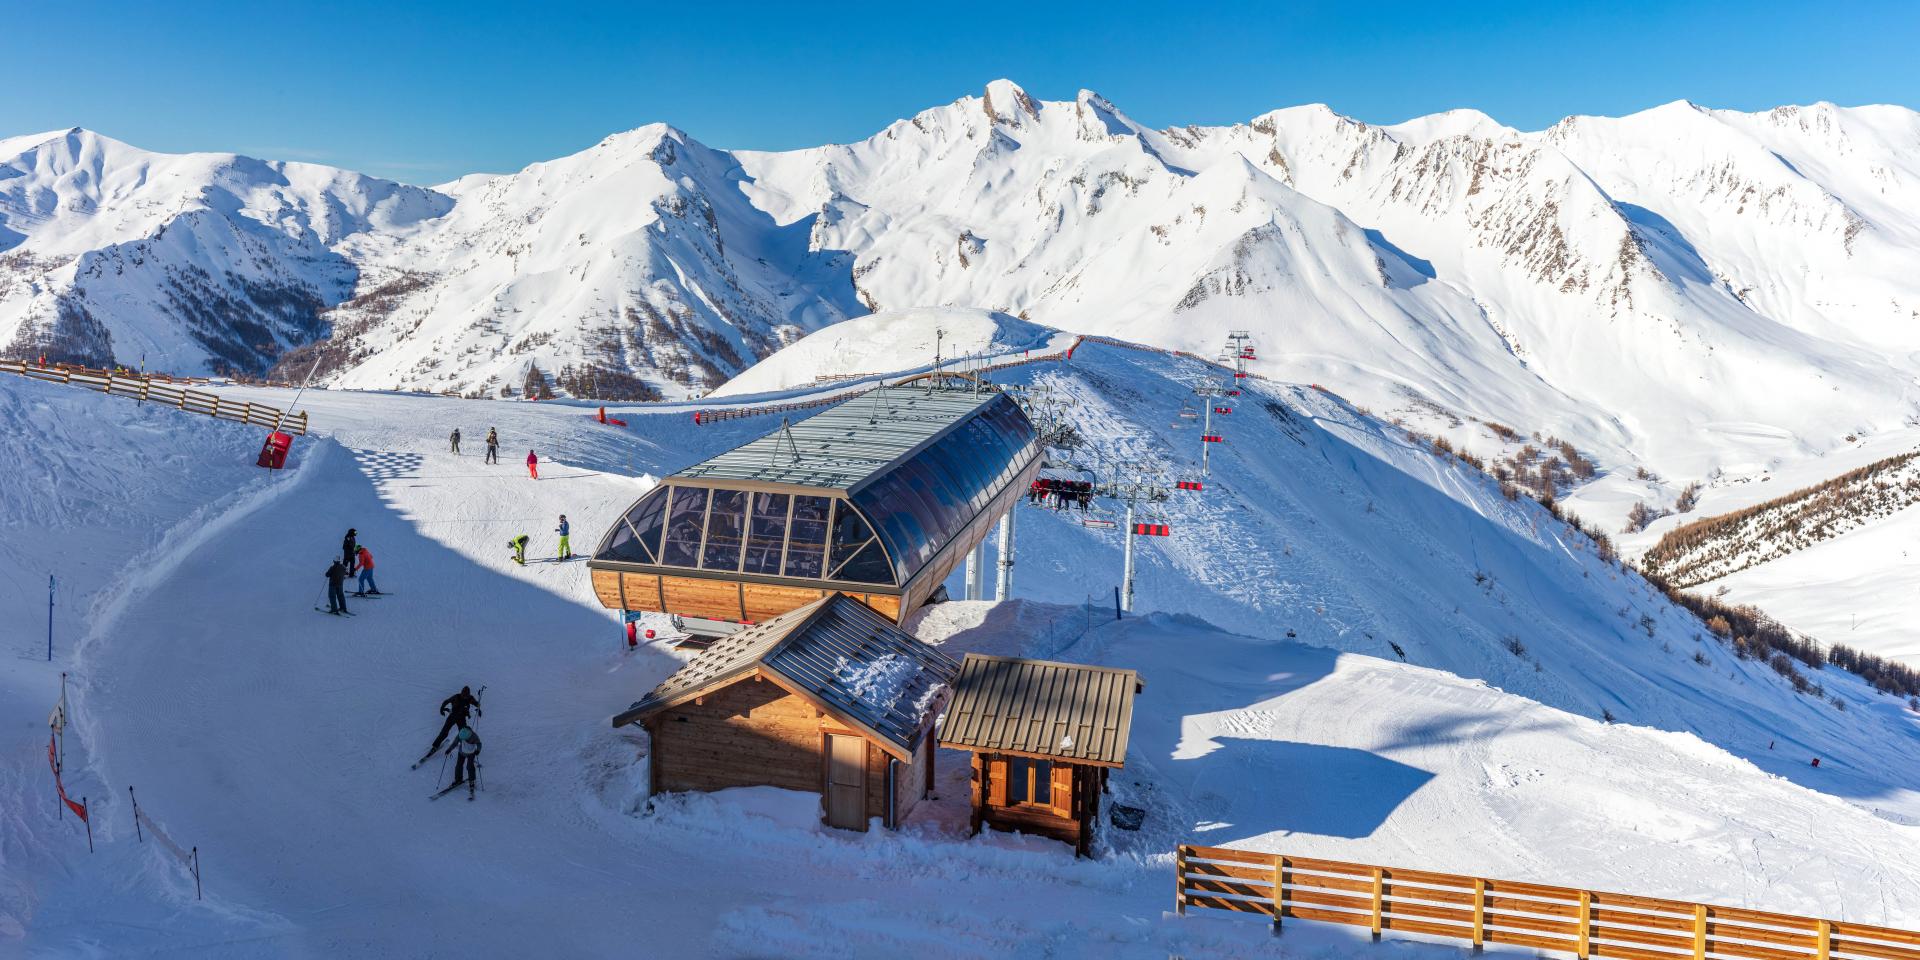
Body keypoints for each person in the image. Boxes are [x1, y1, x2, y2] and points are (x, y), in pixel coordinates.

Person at [425, 686, 482, 757]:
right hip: (452, 717)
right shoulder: (456, 697)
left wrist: (478, 706)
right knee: (444, 732)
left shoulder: (470, 698)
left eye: (466, 696)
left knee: (464, 733)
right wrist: (442, 708)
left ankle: (465, 748)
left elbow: (475, 703)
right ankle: (435, 747)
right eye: (464, 695)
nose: (465, 697)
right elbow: (446, 701)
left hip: (462, 718)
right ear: (461, 693)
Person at [445, 724, 483, 796]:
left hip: (471, 753)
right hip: (461, 752)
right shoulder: (461, 734)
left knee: (469, 766)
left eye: (465, 739)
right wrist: (449, 749)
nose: (464, 740)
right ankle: (458, 779)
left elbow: (479, 744)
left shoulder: (474, 736)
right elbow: (455, 743)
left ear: (469, 735)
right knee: (458, 765)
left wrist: (478, 750)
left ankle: (472, 781)